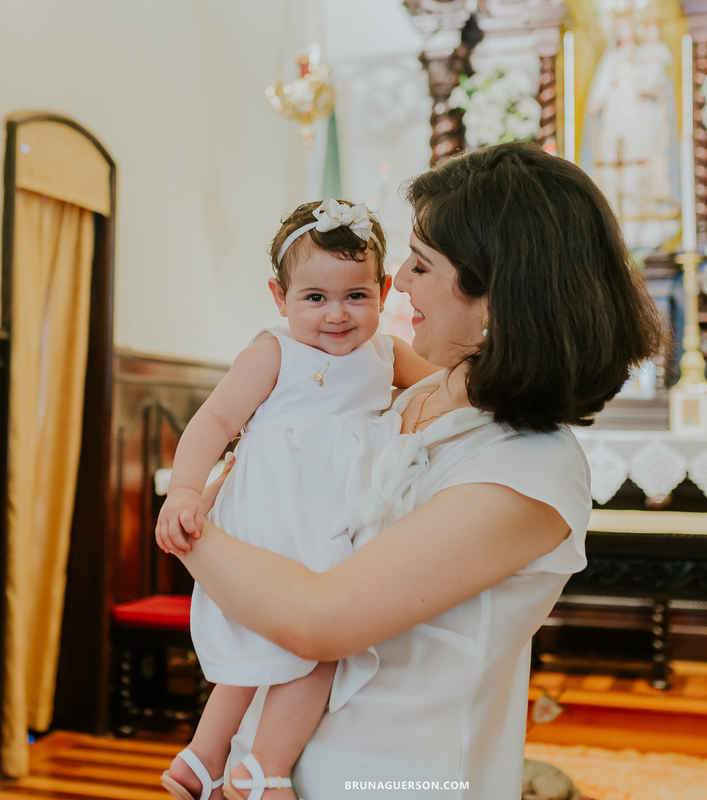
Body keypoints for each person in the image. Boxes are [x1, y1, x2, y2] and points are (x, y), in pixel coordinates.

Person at [167, 141, 664, 799]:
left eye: (422, 264)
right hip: (260, 764)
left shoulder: (526, 468)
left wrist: (192, 529)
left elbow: (317, 619)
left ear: (495, 294)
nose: (398, 281)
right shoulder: (407, 397)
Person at [153, 198, 438, 800]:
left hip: (337, 510)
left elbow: (445, 385)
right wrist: (184, 492)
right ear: (280, 298)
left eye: (356, 295)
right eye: (315, 298)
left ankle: (202, 759)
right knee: (322, 640)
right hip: (278, 508)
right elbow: (213, 422)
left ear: (384, 291)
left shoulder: (386, 354)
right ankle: (264, 768)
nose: (337, 314)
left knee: (276, 641)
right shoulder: (273, 353)